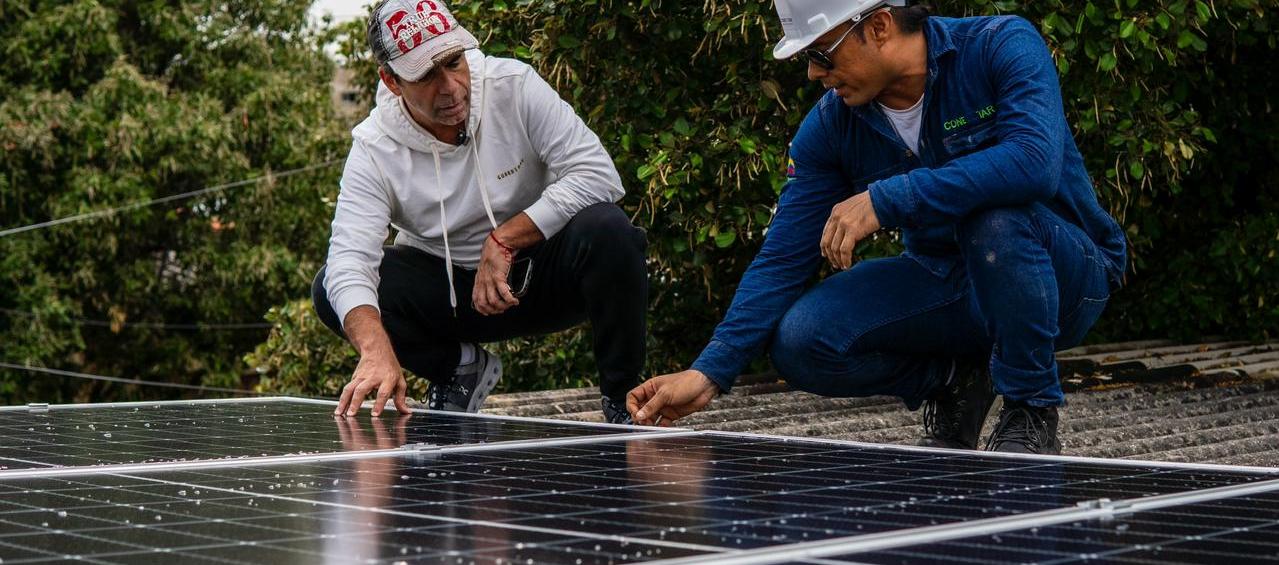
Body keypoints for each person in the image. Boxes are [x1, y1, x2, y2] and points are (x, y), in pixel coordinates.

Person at [628, 1, 1126, 455]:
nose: (814, 73)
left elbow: (1032, 162)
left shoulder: (1001, 46)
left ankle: (1030, 406)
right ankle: (955, 379)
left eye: (822, 53)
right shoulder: (831, 126)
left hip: (1060, 277)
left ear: (880, 26)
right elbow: (782, 257)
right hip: (945, 281)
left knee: (994, 219)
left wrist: (890, 198)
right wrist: (709, 371)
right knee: (802, 338)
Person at [314, 0, 647, 423]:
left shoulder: (514, 85)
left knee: (609, 229)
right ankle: (458, 368)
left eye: (454, 62)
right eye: (426, 75)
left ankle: (622, 400)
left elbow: (600, 175)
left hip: (541, 279)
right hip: (452, 300)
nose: (450, 86)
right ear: (392, 81)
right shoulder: (373, 148)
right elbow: (349, 260)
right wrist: (376, 350)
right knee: (331, 289)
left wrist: (506, 238)